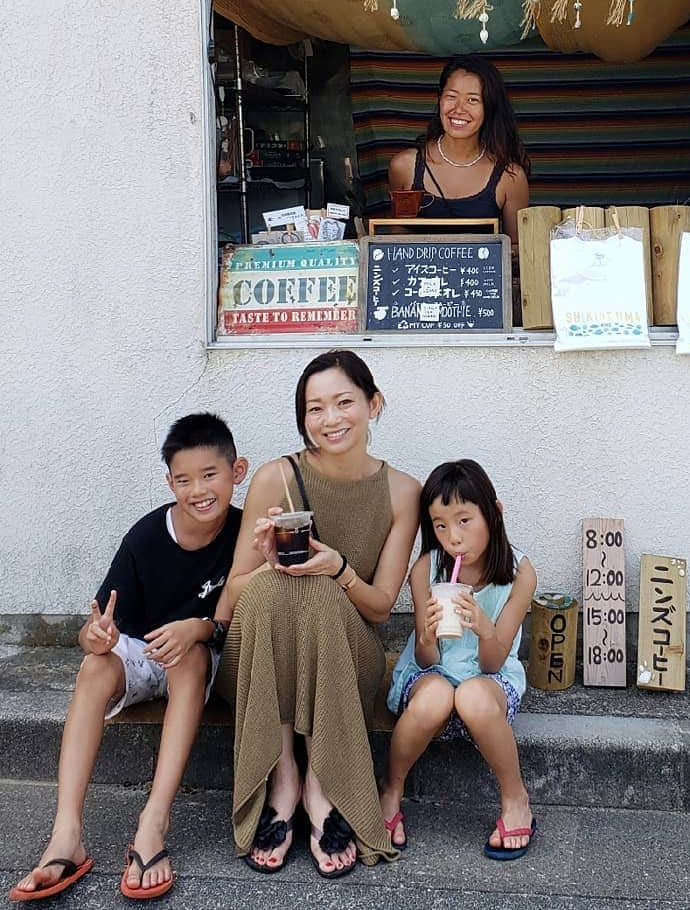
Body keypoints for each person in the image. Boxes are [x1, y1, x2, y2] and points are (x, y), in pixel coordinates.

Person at [9, 414, 247, 903]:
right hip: (142, 650)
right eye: (184, 480)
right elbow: (97, 626)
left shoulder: (244, 534)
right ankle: (66, 835)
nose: (198, 490)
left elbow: (227, 628)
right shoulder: (145, 537)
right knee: (95, 668)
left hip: (203, 654)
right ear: (169, 482)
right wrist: (94, 638)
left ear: (237, 472)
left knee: (190, 659)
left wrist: (196, 629)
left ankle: (152, 824)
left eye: (210, 475)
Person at [218, 351, 420, 877]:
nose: (330, 420)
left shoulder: (403, 492)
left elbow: (378, 609)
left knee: (319, 591)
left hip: (349, 654)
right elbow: (229, 600)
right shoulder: (275, 478)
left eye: (344, 402)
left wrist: (337, 569)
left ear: (374, 405)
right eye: (315, 408)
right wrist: (269, 566)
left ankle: (322, 782)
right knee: (276, 588)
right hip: (263, 653)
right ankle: (286, 773)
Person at [381, 460, 538, 860]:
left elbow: (492, 662)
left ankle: (515, 798)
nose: (453, 537)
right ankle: (390, 791)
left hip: (487, 677)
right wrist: (427, 633)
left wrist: (485, 627)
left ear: (494, 514)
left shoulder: (520, 575)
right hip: (431, 674)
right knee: (436, 696)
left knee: (470, 695)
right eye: (440, 525)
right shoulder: (425, 570)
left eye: (465, 520)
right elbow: (424, 657)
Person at [387, 56, 531, 244]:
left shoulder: (510, 177)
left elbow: (519, 253)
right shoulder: (405, 167)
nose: (458, 109)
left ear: (490, 107)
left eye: (472, 100)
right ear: (439, 99)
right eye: (451, 97)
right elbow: (395, 245)